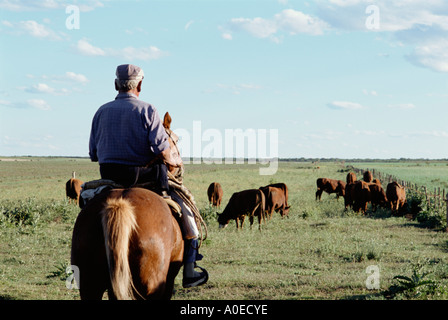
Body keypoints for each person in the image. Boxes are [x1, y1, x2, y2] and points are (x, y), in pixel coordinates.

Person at [88, 64, 208, 288]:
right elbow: (163, 150)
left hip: (110, 176)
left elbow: (93, 154)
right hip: (145, 178)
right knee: (188, 212)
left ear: (116, 84)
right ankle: (190, 270)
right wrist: (175, 161)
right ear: (140, 85)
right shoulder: (148, 110)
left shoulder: (101, 112)